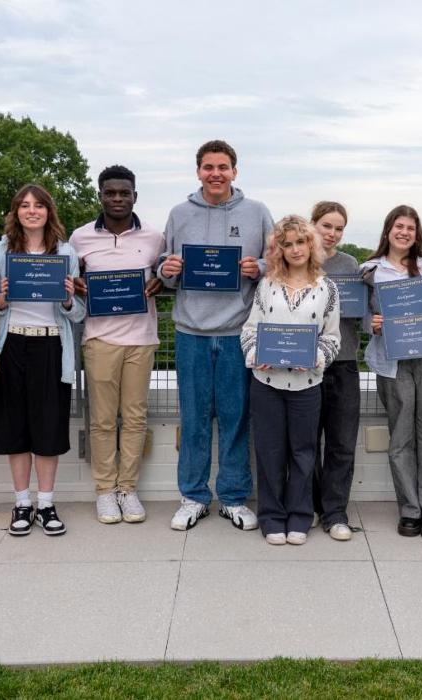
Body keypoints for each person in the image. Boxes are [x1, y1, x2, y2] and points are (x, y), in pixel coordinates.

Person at [157, 140, 273, 531]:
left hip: (239, 331)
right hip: (191, 332)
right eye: (208, 167)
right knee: (193, 419)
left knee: (236, 419)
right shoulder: (179, 213)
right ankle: (192, 496)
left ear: (235, 171)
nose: (216, 174)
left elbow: (276, 262)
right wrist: (167, 269)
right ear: (198, 172)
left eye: (223, 166)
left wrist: (257, 266)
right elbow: (163, 269)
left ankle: (234, 497)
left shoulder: (257, 213)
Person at [0, 184, 84, 537]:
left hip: (51, 347)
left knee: (48, 427)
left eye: (39, 205)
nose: (32, 211)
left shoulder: (66, 253)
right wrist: (1, 298)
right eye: (24, 205)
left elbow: (77, 316)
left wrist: (71, 300)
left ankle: (46, 503)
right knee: (16, 427)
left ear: (48, 211)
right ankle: (22, 503)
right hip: (11, 345)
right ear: (15, 212)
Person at [70, 165, 164, 525]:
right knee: (103, 420)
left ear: (135, 196)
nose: (118, 199)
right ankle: (105, 492)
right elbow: (68, 277)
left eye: (124, 193)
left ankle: (128, 488)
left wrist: (161, 281)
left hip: (141, 339)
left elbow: (169, 274)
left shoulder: (155, 237)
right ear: (100, 196)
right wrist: (76, 283)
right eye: (110, 193)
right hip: (99, 339)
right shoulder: (80, 238)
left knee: (136, 417)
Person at [240, 216, 340, 545]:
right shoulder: (267, 285)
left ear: (311, 244)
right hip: (266, 383)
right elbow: (250, 330)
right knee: (270, 452)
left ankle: (299, 515)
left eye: (301, 242)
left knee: (303, 453)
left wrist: (316, 358)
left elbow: (332, 337)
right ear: (277, 249)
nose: (295, 249)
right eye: (287, 244)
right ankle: (271, 516)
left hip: (307, 386)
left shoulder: (327, 288)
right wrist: (256, 354)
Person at [362, 205, 422, 540]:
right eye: (398, 226)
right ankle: (410, 509)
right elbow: (359, 315)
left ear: (418, 233)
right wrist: (371, 324)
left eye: (410, 228)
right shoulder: (370, 270)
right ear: (388, 230)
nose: (404, 233)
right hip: (392, 360)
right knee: (401, 437)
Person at [311, 201, 360, 541]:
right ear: (313, 225)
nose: (332, 233)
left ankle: (336, 511)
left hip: (343, 363)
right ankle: (312, 506)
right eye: (326, 225)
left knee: (341, 443)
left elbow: (357, 312)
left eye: (339, 228)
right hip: (305, 365)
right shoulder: (299, 260)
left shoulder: (351, 264)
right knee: (307, 443)